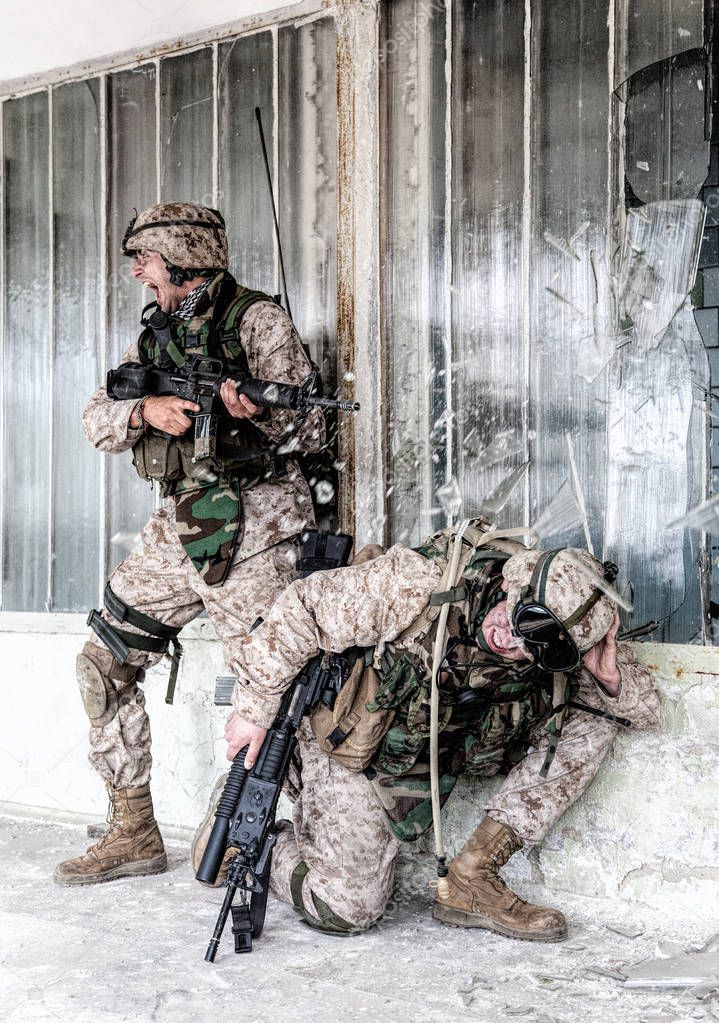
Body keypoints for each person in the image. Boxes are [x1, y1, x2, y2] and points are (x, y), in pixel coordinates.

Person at [195, 521, 660, 941]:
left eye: (539, 645)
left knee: (597, 718)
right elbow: (302, 609)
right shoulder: (419, 584)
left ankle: (473, 875)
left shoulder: (550, 641)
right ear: (512, 582)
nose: (512, 641)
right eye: (523, 620)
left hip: (427, 753)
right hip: (353, 745)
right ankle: (250, 839)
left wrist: (607, 675)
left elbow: (643, 710)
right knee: (345, 909)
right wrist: (254, 709)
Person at [54, 201, 325, 887]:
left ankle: (294, 847)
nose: (141, 274)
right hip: (178, 528)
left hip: (256, 533)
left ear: (182, 255)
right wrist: (147, 411)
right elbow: (96, 417)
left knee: (277, 694)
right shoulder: (156, 333)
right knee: (102, 663)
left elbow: (317, 433)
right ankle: (133, 829)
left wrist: (256, 417)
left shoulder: (258, 321)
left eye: (147, 259)